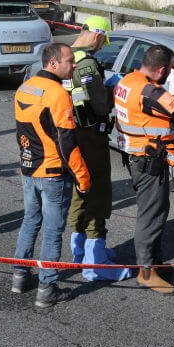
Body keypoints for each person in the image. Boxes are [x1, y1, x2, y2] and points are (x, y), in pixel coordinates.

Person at [11, 43, 91, 307]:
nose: (75, 65)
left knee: (30, 220)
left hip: (28, 166)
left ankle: (19, 277)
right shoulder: (57, 94)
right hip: (52, 172)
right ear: (53, 63)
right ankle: (47, 288)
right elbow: (66, 142)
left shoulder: (26, 87)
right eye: (70, 61)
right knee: (53, 230)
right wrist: (83, 178)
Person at [114, 44, 174, 294]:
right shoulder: (149, 91)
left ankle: (156, 263)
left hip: (140, 156)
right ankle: (146, 272)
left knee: (157, 211)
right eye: (170, 69)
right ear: (162, 69)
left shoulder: (128, 80)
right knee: (151, 216)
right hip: (149, 160)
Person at [66, 16, 129, 281]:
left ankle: (79, 250)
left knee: (80, 191)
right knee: (98, 192)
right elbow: (101, 105)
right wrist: (112, 90)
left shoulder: (67, 56)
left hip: (71, 134)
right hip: (90, 136)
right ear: (96, 35)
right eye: (103, 40)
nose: (103, 45)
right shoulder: (88, 64)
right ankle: (95, 261)